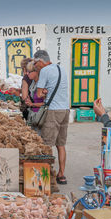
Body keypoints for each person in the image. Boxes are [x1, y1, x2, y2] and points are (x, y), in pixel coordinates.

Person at [34, 50, 70, 185]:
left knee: (47, 144)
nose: (35, 66)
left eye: (35, 63)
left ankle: (46, 175)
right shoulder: (61, 68)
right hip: (65, 110)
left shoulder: (44, 71)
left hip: (53, 110)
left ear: (40, 61)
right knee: (61, 145)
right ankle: (61, 175)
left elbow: (39, 94)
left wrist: (43, 92)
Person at [25, 60, 45, 134]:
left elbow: (46, 103)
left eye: (29, 72)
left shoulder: (42, 84)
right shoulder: (33, 83)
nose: (27, 74)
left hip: (41, 118)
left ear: (36, 72)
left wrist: (32, 104)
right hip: (33, 116)